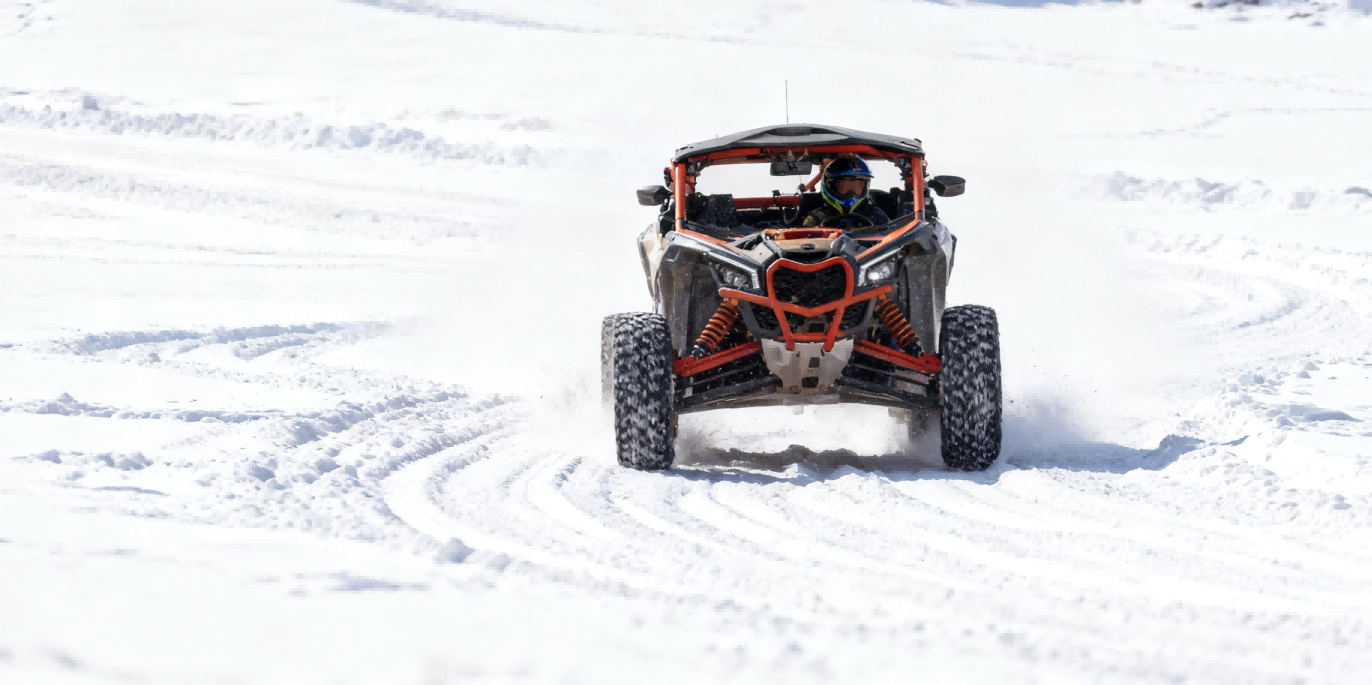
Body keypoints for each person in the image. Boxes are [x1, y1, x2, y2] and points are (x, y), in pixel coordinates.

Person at [800, 157, 890, 228]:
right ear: (830, 186)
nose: (852, 194)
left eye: (858, 186)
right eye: (846, 187)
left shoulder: (876, 215)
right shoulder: (815, 219)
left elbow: (892, 238)